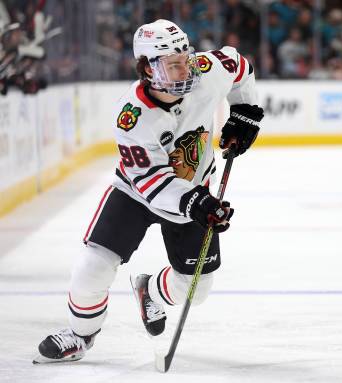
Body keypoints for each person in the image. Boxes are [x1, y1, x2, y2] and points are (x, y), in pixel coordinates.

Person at [33, 19, 264, 363]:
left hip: (194, 191)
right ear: (146, 68)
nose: (185, 68)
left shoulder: (206, 71)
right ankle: (80, 335)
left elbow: (239, 65)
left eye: (184, 58)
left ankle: (151, 291)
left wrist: (245, 111)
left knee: (196, 290)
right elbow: (153, 182)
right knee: (91, 267)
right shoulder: (132, 117)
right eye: (173, 64)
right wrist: (196, 203)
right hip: (136, 193)